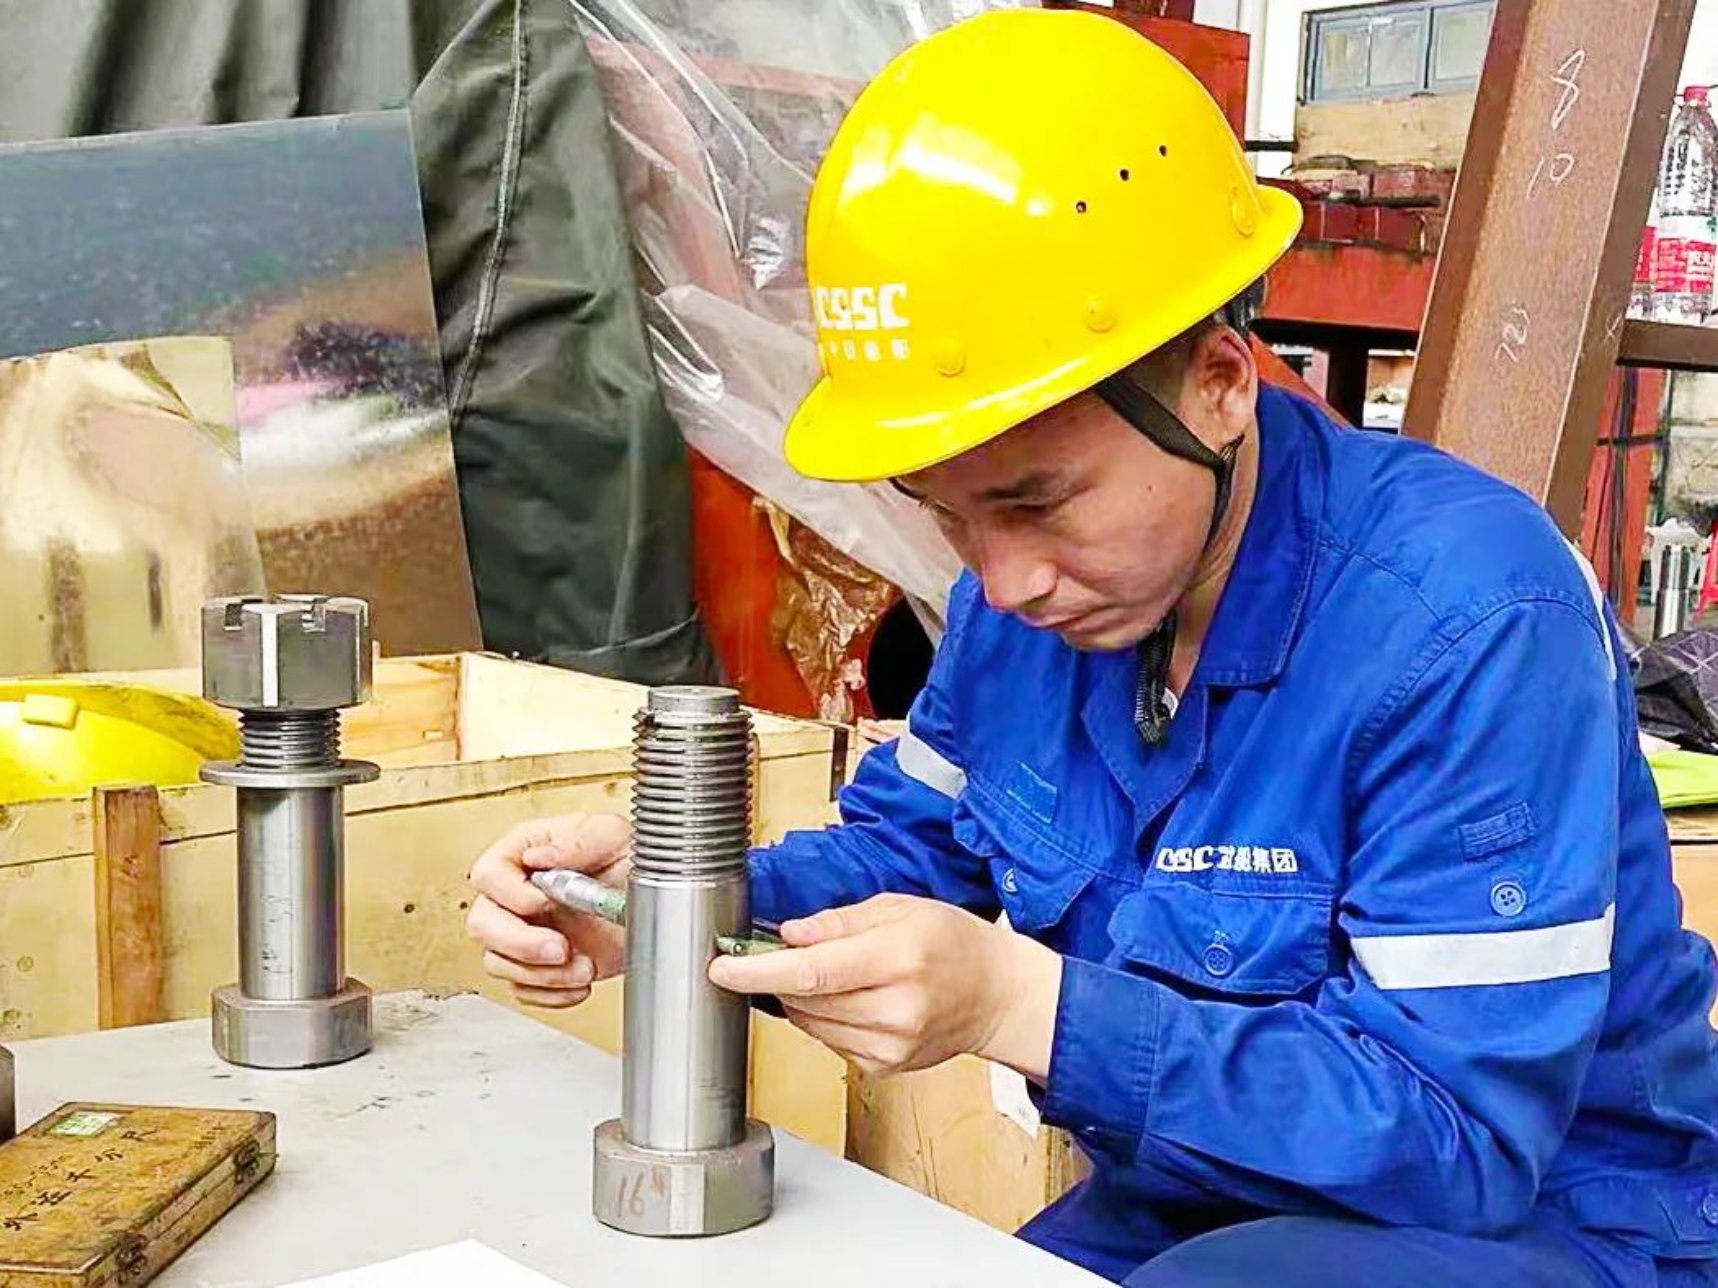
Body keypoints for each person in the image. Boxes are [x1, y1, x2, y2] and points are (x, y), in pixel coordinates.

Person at [466, 10, 1718, 1285]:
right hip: (1198, 1197)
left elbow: (1458, 1141)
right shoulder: (1026, 610)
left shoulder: (1468, 620)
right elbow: (913, 854)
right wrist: (675, 901)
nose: (1001, 581)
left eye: (1037, 501)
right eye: (943, 514)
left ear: (1217, 383)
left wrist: (1024, 1006)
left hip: (1544, 1226)